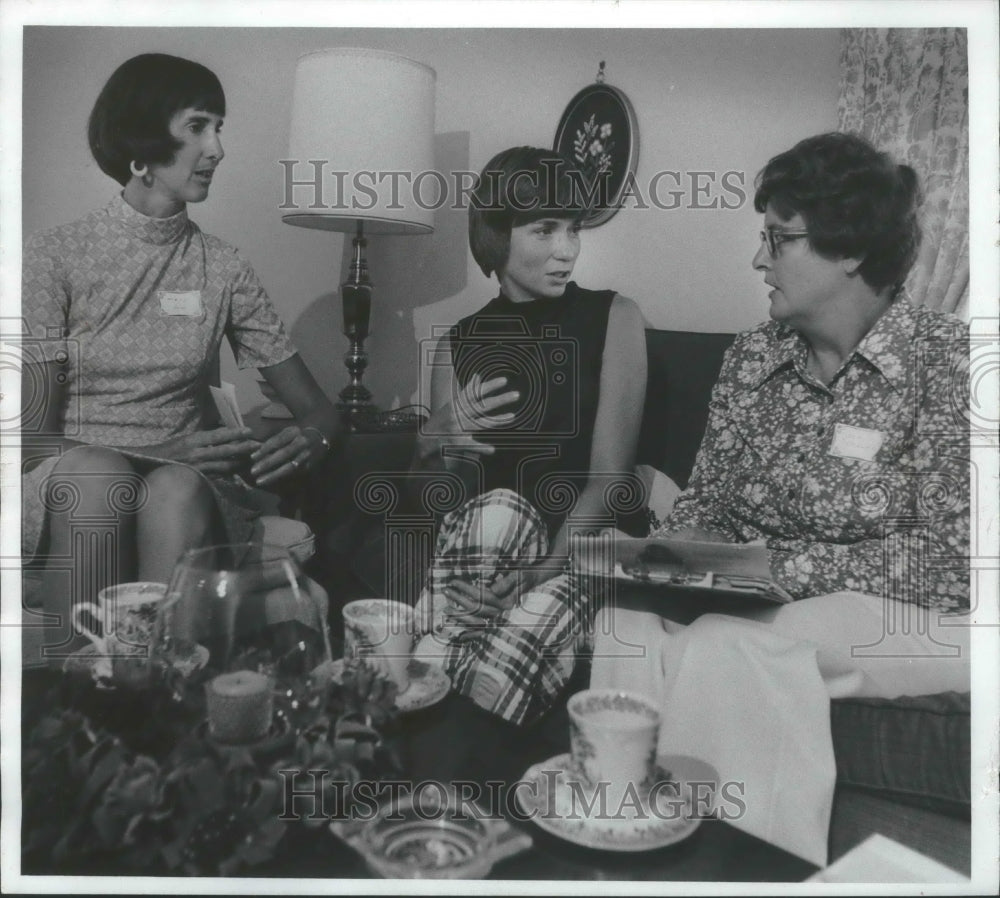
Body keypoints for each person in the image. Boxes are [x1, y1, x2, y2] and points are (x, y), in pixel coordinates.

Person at [589, 132, 970, 865]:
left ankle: (731, 872)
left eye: (780, 239)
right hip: (773, 593)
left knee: (733, 644)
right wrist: (676, 555)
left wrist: (776, 568)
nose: (758, 260)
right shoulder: (752, 357)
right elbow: (711, 500)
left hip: (937, 612)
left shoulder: (949, 363)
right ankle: (622, 846)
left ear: (851, 249)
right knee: (626, 625)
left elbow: (950, 560)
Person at [21, 53, 341, 662]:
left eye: (219, 127)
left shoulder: (223, 265)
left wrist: (310, 441)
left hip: (185, 484)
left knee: (172, 489)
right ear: (141, 138)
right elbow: (33, 439)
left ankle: (162, 706)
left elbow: (320, 414)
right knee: (100, 478)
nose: (217, 147)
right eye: (198, 126)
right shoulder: (55, 256)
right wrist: (152, 451)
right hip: (76, 476)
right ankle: (80, 714)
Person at [410, 146, 648, 724]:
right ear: (496, 234)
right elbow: (447, 494)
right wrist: (431, 439)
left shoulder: (614, 317)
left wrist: (540, 571)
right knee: (498, 513)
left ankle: (443, 709)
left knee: (489, 652)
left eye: (573, 229)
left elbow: (609, 480)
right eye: (544, 230)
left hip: (574, 549)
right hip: (486, 546)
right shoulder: (458, 343)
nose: (566, 250)